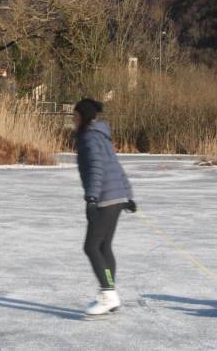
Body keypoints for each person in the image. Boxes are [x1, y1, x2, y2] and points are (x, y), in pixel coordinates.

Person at [74, 98, 136, 316]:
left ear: (83, 117)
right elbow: (116, 165)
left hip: (105, 199)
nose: (74, 120)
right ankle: (110, 293)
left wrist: (91, 199)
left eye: (76, 116)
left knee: (91, 246)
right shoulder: (101, 135)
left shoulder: (89, 138)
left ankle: (108, 294)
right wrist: (127, 195)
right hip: (116, 197)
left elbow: (97, 168)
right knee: (104, 246)